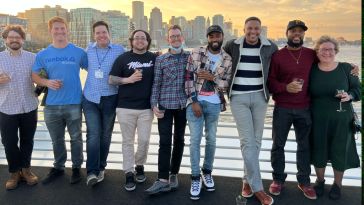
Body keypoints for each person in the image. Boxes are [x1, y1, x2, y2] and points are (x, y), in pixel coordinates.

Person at [224, 16, 277, 205]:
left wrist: (346, 68)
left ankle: (246, 181)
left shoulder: (270, 46)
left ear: (260, 30)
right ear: (244, 29)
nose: (253, 32)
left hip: (260, 98)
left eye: (256, 29)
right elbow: (217, 59)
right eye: (249, 29)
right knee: (248, 142)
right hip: (238, 98)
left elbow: (281, 67)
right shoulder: (232, 45)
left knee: (256, 141)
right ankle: (258, 188)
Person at [32, 16, 88, 185]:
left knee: (76, 138)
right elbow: (35, 75)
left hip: (74, 103)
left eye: (62, 28)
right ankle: (58, 167)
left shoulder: (79, 52)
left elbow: (93, 70)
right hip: (51, 106)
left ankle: (77, 168)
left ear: (67, 30)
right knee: (57, 139)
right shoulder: (43, 54)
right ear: (51, 31)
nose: (60, 31)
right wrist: (46, 82)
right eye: (56, 29)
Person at [309, 36, 360, 200]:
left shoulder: (347, 68)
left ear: (336, 51)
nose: (327, 52)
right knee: (319, 150)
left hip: (342, 120)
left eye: (331, 49)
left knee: (339, 151)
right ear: (317, 51)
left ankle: (337, 185)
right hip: (317, 119)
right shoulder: (311, 69)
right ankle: (320, 181)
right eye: (323, 49)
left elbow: (359, 90)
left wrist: (350, 95)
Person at [185, 25, 232, 200]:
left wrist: (213, 78)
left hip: (214, 103)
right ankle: (195, 177)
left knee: (211, 139)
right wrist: (194, 101)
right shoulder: (196, 52)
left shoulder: (227, 58)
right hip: (195, 103)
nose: (214, 38)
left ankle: (207, 171)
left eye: (217, 36)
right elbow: (188, 78)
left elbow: (227, 84)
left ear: (222, 37)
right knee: (195, 140)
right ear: (208, 38)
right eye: (211, 36)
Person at [109, 30, 157, 191]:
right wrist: (127, 79)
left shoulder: (154, 58)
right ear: (132, 41)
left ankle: (140, 165)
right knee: (127, 142)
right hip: (125, 107)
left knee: (144, 140)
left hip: (146, 109)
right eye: (137, 38)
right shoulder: (123, 58)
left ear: (147, 41)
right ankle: (129, 172)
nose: (140, 40)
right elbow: (111, 79)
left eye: (143, 38)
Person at [146, 25, 189, 195]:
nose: (176, 39)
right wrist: (154, 104)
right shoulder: (161, 60)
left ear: (182, 37)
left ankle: (174, 174)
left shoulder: (190, 57)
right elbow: (156, 83)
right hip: (164, 105)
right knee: (164, 142)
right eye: (172, 36)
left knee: (179, 140)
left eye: (178, 36)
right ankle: (162, 178)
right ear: (168, 39)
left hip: (183, 106)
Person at [83, 21, 125, 186]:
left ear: (109, 33)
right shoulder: (87, 51)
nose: (101, 35)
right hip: (90, 98)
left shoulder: (119, 50)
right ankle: (91, 172)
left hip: (110, 97)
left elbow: (132, 60)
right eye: (98, 33)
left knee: (105, 135)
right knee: (93, 134)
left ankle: (101, 167)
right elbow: (77, 66)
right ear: (94, 35)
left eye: (104, 32)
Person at [0, 25, 39, 190]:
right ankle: (14, 172)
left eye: (17, 37)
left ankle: (26, 169)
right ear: (5, 39)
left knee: (27, 141)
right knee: (9, 142)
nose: (14, 40)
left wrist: (38, 91)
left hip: (29, 106)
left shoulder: (33, 57)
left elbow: (43, 76)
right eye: (11, 37)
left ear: (22, 39)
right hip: (6, 107)